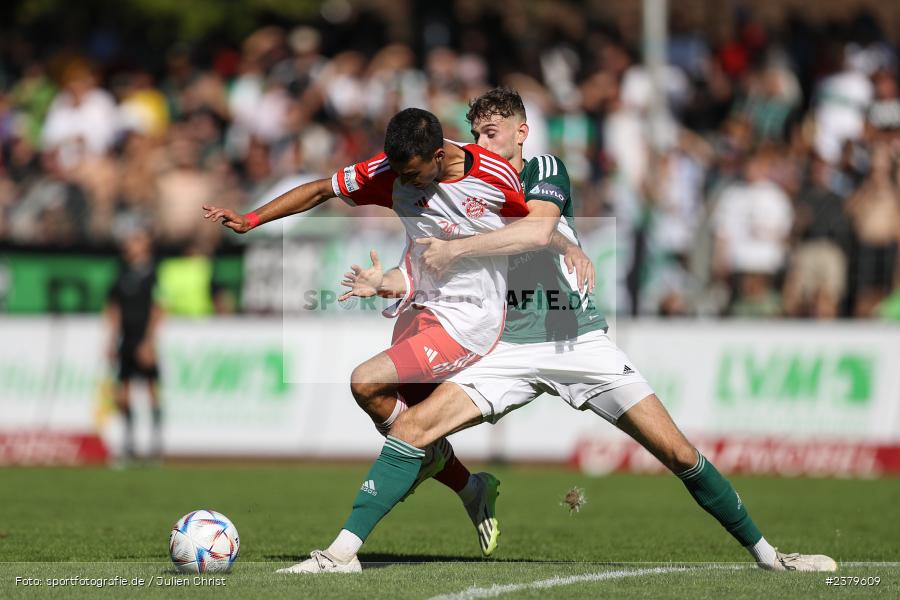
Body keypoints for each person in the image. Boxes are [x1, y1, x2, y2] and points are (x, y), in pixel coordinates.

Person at [289, 88, 837, 574]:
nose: (482, 140)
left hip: (578, 343)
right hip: (506, 347)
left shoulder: (543, 169)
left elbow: (537, 228)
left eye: (493, 131)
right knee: (411, 430)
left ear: (522, 132)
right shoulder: (458, 184)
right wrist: (394, 278)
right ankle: (340, 554)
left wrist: (553, 242)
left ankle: (772, 557)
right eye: (476, 132)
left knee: (679, 454)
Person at [203, 107, 537, 558]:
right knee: (401, 418)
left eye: (415, 174)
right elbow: (321, 189)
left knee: (367, 382)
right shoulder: (389, 171)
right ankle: (470, 486)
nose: (406, 183)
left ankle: (343, 552)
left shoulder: (494, 175)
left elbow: (537, 228)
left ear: (439, 155)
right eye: (400, 174)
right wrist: (252, 219)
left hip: (469, 320)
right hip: (418, 308)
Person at [104, 229, 164, 463]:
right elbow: (114, 308)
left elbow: (159, 308)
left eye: (135, 240)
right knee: (123, 393)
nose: (130, 245)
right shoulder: (121, 273)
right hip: (126, 340)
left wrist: (149, 341)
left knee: (151, 391)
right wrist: (111, 340)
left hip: (143, 339)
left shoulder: (154, 274)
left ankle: (155, 447)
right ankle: (129, 446)